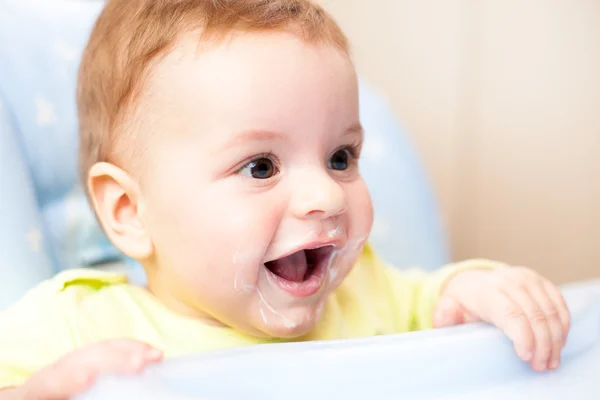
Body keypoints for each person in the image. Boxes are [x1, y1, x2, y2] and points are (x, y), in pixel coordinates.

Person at [0, 0, 570, 398]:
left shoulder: (366, 294)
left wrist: (479, 290)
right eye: (261, 166)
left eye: (341, 157)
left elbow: (437, 303)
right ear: (129, 212)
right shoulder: (76, 327)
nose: (326, 194)